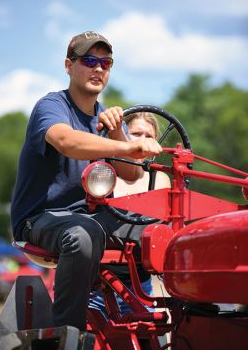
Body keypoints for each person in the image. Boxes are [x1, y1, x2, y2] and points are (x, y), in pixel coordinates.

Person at [10, 31, 163, 332]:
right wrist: (126, 146)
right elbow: (67, 141)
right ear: (69, 65)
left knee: (162, 232)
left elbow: (132, 173)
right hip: (41, 218)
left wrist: (119, 131)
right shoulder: (52, 106)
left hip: (90, 217)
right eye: (89, 60)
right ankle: (68, 333)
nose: (98, 69)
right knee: (82, 235)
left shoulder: (106, 116)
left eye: (105, 63)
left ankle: (172, 319)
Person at [89, 112, 171, 315]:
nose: (143, 140)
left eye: (149, 136)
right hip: (94, 286)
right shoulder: (104, 174)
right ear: (123, 136)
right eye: (135, 133)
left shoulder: (159, 179)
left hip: (138, 288)